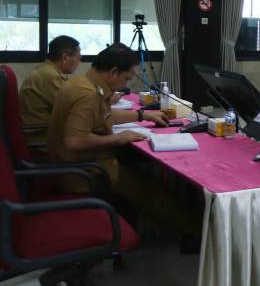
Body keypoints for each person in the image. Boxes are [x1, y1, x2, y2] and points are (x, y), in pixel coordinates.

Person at [48, 43, 200, 237]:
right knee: (150, 190)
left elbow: (103, 115)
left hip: (79, 162)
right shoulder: (88, 94)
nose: (126, 85)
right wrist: (119, 138)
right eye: (126, 79)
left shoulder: (85, 83)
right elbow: (75, 141)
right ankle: (195, 232)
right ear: (113, 72)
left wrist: (143, 115)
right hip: (82, 171)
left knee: (139, 164)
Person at [19, 36, 82, 145]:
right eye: (78, 58)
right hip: (42, 138)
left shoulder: (46, 70)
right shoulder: (50, 76)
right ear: (65, 57)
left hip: (43, 132)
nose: (79, 62)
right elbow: (74, 107)